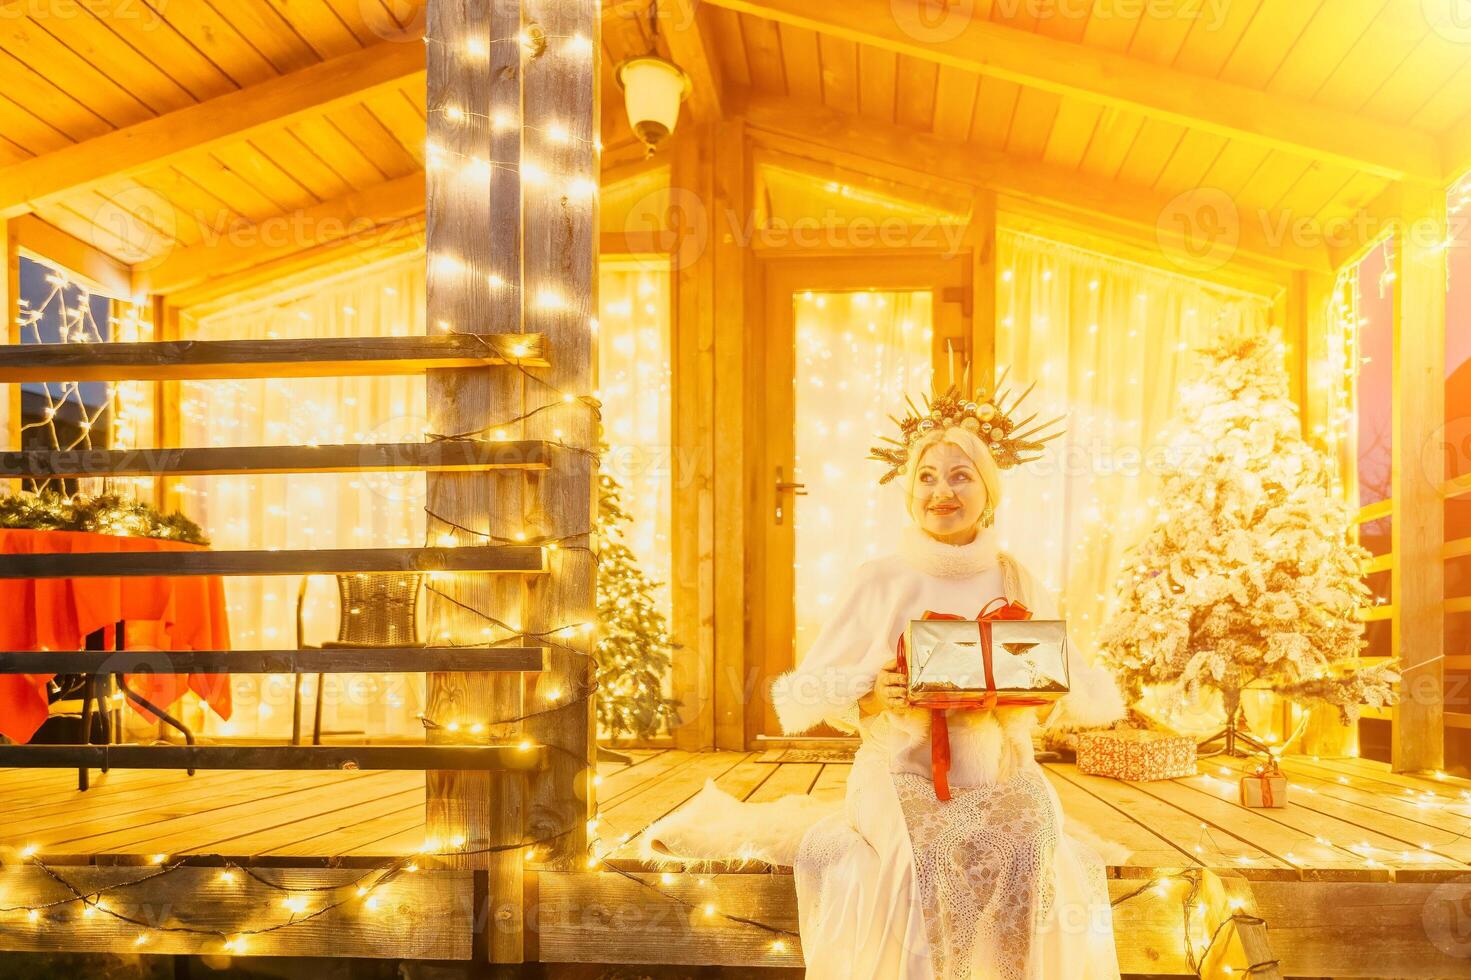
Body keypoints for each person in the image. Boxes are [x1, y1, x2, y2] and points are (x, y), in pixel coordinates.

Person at [768, 390, 1126, 980]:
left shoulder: (1015, 577)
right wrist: (875, 691)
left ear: (987, 494)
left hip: (1001, 770)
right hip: (903, 769)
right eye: (928, 478)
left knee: (1032, 845)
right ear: (910, 494)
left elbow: (1070, 689)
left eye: (961, 477)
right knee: (926, 857)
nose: (943, 492)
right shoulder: (879, 579)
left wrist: (1037, 691)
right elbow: (815, 688)